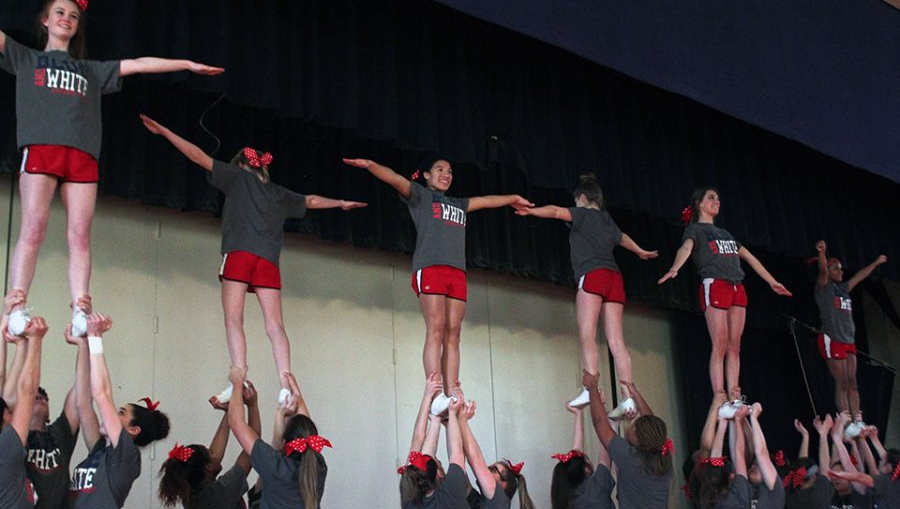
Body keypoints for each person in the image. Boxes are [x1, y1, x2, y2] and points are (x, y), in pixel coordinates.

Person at [0, 0, 223, 336]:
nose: (67, 19)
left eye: (74, 16)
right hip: (42, 149)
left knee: (80, 236)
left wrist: (186, 64)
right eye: (60, 13)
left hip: (82, 156)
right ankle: (16, 307)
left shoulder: (91, 70)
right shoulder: (27, 57)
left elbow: (138, 63)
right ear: (45, 20)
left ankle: (80, 310)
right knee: (33, 228)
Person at [141, 115, 366, 399]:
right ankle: (286, 385)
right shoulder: (278, 193)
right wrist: (342, 203)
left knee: (234, 319)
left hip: (239, 254)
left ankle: (238, 378)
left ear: (241, 165)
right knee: (276, 326)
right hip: (268, 262)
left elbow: (198, 156)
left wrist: (164, 131)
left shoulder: (237, 177)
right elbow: (310, 200)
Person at [343, 156, 533, 413]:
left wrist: (512, 198)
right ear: (426, 175)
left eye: (450, 171)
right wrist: (371, 165)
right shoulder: (420, 196)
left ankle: (452, 390)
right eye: (439, 170)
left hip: (457, 273)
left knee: (453, 333)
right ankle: (434, 393)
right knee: (437, 328)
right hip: (430, 268)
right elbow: (395, 178)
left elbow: (487, 200)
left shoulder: (459, 203)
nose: (446, 174)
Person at [515, 173, 657, 409]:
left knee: (587, 334)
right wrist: (640, 251)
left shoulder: (582, 214)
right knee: (617, 342)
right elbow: (622, 238)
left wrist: (532, 211)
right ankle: (628, 396)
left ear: (582, 197)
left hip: (593, 275)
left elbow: (554, 211)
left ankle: (590, 388)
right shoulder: (606, 219)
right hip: (614, 277)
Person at [62, 313, 171, 509]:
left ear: (132, 430)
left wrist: (96, 338)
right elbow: (84, 401)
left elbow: (101, 395)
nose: (112, 412)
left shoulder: (126, 455)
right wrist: (83, 347)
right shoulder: (100, 451)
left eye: (120, 413)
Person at [658, 188, 792, 396]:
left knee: (735, 346)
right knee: (719, 343)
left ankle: (735, 394)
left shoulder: (726, 234)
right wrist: (675, 268)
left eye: (718, 198)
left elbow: (750, 258)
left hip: (737, 286)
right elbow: (685, 249)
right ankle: (720, 396)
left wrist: (772, 282)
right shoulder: (695, 230)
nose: (717, 201)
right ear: (699, 204)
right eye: (711, 197)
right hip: (715, 284)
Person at [227, 367, 340, 509]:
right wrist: (295, 391)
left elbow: (236, 423)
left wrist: (237, 382)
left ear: (287, 441)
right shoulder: (319, 467)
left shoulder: (274, 465)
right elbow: (307, 429)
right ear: (314, 441)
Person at [3, 319, 85, 509]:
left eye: (45, 396)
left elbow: (79, 396)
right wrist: (23, 345)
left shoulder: (60, 434)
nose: (39, 396)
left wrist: (84, 345)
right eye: (35, 394)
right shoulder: (14, 438)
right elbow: (13, 393)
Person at [585, 372, 681, 509]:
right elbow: (655, 427)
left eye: (635, 426)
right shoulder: (663, 458)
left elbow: (601, 423)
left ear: (639, 437)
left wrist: (592, 388)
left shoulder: (628, 456)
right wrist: (636, 394)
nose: (631, 426)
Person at [813, 240, 887, 425]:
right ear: (829, 271)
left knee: (853, 382)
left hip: (848, 340)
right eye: (836, 269)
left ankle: (857, 420)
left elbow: (861, 276)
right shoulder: (824, 287)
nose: (841, 271)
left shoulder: (843, 289)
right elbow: (822, 271)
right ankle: (846, 422)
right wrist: (822, 253)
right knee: (842, 382)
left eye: (841, 269)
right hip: (832, 338)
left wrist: (876, 263)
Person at [0, 315, 46, 509]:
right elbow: (26, 392)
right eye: (9, 410)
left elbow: (7, 387)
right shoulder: (6, 447)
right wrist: (36, 342)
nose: (14, 410)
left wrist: (18, 347)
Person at [389, 372, 444, 509]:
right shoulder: (443, 496)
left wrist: (427, 397)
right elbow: (421, 442)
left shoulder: (410, 492)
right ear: (439, 475)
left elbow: (418, 439)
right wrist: (438, 418)